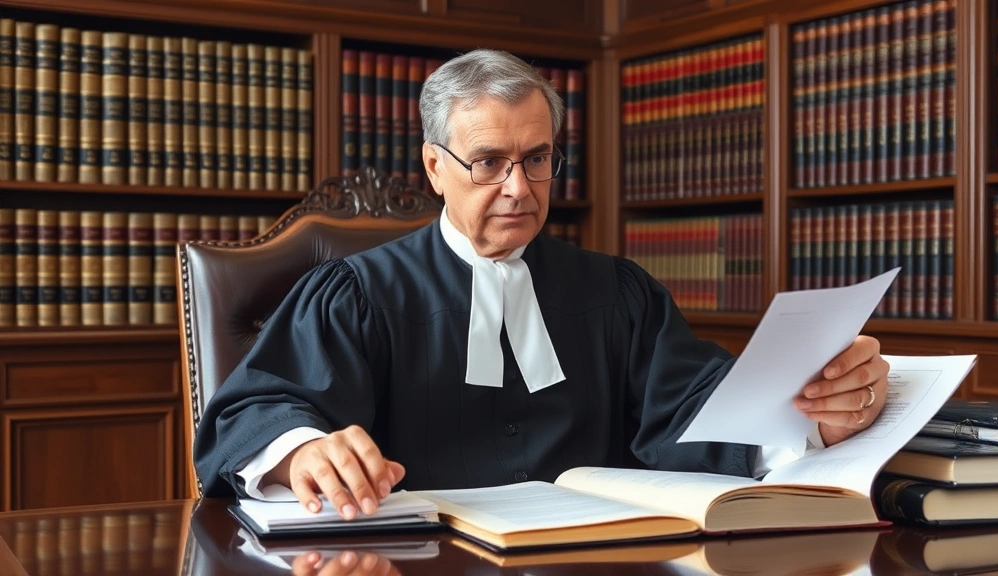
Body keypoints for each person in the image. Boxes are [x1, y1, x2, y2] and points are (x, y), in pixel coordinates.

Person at [194, 49, 890, 521]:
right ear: (436, 168)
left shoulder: (617, 292)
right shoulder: (358, 293)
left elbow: (690, 411)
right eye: (489, 162)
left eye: (537, 158)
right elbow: (254, 412)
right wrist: (301, 452)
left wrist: (814, 415)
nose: (517, 189)